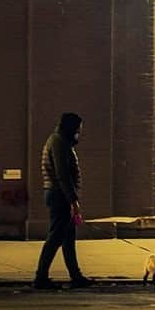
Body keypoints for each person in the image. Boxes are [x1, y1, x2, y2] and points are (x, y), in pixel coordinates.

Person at [33, 112, 94, 289]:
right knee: (56, 237)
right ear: (71, 127)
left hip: (59, 194)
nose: (80, 132)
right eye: (78, 128)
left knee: (68, 238)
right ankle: (40, 277)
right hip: (59, 195)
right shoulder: (59, 142)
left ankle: (76, 275)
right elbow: (63, 175)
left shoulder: (59, 141)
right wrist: (73, 202)